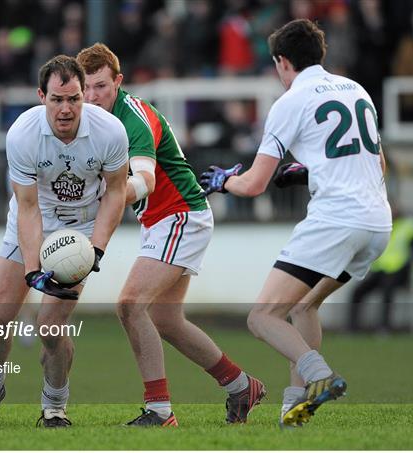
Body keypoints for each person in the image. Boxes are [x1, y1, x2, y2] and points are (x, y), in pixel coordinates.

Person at [201, 19, 392, 428]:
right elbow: (377, 164)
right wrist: (310, 171)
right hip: (377, 222)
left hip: (336, 221)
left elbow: (253, 185)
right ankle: (293, 407)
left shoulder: (291, 100)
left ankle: (319, 375)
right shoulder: (356, 90)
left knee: (261, 317)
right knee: (304, 306)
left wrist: (222, 182)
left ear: (282, 62)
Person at [77, 43, 265, 427]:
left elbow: (143, 181)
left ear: (118, 82)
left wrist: (105, 201)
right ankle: (241, 386)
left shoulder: (134, 118)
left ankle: (159, 410)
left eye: (101, 86)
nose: (93, 97)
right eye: (87, 89)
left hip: (180, 216)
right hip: (162, 221)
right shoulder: (92, 121)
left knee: (130, 304)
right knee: (166, 321)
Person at [0, 55, 129, 428]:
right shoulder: (22, 134)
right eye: (56, 99)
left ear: (84, 96)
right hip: (30, 223)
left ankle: (54, 407)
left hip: (78, 232)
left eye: (74, 99)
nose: (66, 109)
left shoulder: (110, 131)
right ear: (41, 96)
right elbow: (28, 208)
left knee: (50, 327)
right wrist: (32, 270)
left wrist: (95, 248)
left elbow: (115, 193)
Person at [349, 210, 413, 332]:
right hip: (380, 270)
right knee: (357, 292)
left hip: (399, 271)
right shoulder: (383, 226)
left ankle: (384, 327)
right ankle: (352, 327)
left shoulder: (408, 227)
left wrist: (408, 265)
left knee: (387, 292)